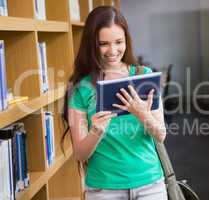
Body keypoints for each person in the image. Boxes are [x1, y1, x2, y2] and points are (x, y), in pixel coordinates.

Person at [61, 6, 168, 200]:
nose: (113, 51)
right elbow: (80, 155)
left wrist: (143, 114)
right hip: (104, 190)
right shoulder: (81, 89)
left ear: (126, 40)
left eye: (119, 42)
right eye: (103, 44)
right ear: (92, 45)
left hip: (150, 184)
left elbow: (161, 134)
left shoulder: (144, 76)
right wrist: (96, 131)